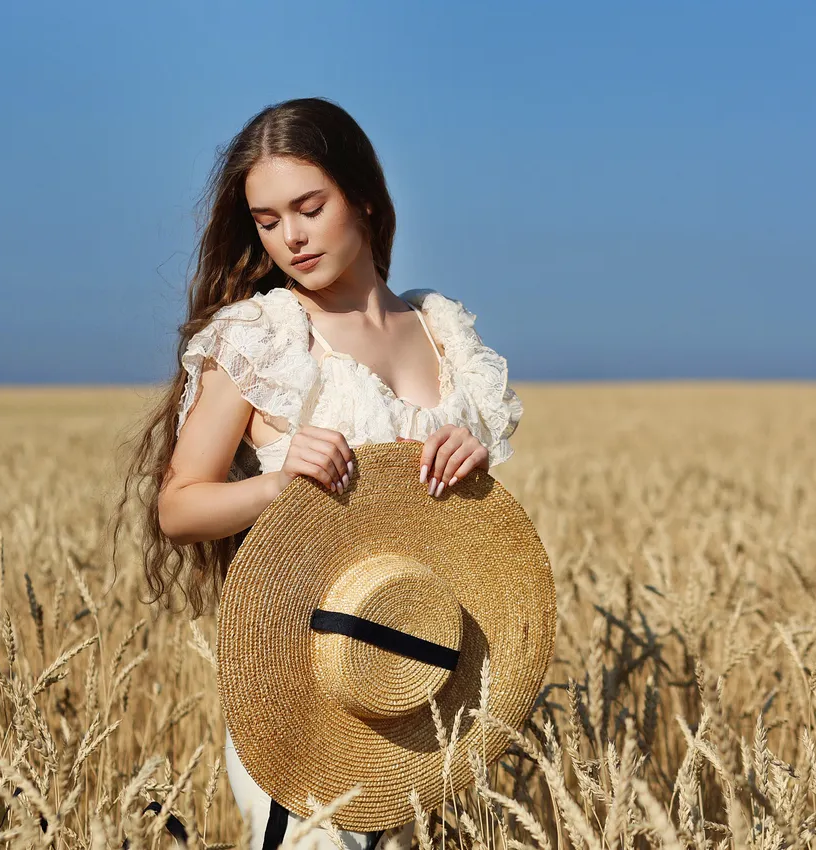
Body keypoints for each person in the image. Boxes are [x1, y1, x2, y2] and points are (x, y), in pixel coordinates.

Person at [117, 97, 524, 850]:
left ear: (363, 196)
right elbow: (178, 507)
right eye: (268, 221)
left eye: (309, 207)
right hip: (302, 692)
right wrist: (277, 485)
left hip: (425, 690)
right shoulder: (262, 337)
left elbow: (471, 541)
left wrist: (471, 468)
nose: (292, 238)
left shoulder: (446, 336)